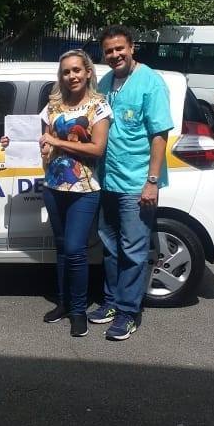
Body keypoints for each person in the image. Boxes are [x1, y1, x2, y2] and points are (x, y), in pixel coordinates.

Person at [1, 50, 111, 337]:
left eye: (76, 70)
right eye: (66, 72)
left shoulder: (98, 106)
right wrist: (13, 142)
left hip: (84, 189)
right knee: (61, 248)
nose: (71, 76)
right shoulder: (52, 107)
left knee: (75, 249)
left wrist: (55, 140)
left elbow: (97, 149)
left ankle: (78, 311)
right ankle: (63, 303)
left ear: (87, 72)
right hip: (53, 187)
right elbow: (44, 145)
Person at [87, 25, 173, 341]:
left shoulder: (150, 82)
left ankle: (128, 313)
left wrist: (151, 182)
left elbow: (159, 134)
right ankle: (110, 302)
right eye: (109, 51)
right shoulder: (107, 82)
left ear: (132, 47)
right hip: (108, 180)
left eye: (119, 49)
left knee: (133, 251)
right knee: (110, 248)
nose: (115, 55)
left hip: (136, 184)